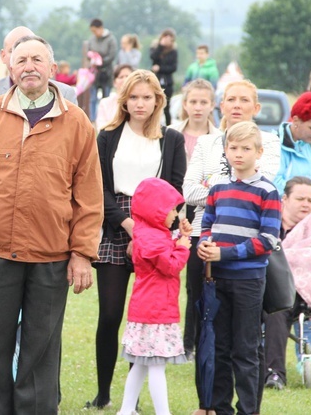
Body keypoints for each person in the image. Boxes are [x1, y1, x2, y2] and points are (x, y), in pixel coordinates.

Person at [0, 35, 103, 414]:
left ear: (53, 70)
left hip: (51, 256)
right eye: (22, 60)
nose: (29, 66)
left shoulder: (77, 122)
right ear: (10, 68)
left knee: (42, 350)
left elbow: (89, 195)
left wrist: (82, 254)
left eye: (38, 59)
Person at [87, 69, 186, 410]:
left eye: (147, 97)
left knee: (144, 318)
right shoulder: (108, 136)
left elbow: (176, 192)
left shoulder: (171, 139)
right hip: (116, 224)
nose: (140, 103)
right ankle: (103, 394)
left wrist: (148, 232)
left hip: (157, 230)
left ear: (158, 100)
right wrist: (129, 226)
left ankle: (134, 398)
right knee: (111, 314)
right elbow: (98, 188)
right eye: (134, 97)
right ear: (124, 101)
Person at [184, 81, 280, 414]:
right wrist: (207, 243)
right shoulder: (218, 187)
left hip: (249, 279)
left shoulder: (267, 192)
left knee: (246, 347)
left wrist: (226, 253)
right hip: (217, 278)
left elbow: (268, 240)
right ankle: (219, 406)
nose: (238, 155)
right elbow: (207, 221)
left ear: (259, 153)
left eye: (245, 150)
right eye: (233, 149)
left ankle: (248, 409)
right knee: (219, 345)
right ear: (225, 151)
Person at [117, 178, 191, 415]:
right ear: (155, 210)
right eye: (171, 209)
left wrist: (179, 235)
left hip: (150, 310)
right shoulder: (151, 238)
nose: (175, 214)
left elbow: (163, 246)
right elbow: (170, 266)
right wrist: (183, 247)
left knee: (140, 364)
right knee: (156, 365)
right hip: (154, 312)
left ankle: (126, 409)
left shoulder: (150, 233)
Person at [262, 176, 311, 390]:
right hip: (260, 285)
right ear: (284, 198)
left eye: (310, 200)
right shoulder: (267, 222)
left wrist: (281, 256)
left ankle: (274, 374)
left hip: (298, 291)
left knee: (277, 310)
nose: (306, 204)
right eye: (300, 198)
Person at [171, 79, 218, 356]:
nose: (198, 107)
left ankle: (194, 341)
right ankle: (179, 339)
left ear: (212, 105)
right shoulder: (171, 133)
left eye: (203, 102)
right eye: (193, 102)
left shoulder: (221, 137)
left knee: (197, 280)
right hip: (175, 210)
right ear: (184, 104)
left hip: (202, 211)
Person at [0, 26, 77, 113]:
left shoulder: (65, 95)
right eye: (14, 51)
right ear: (3, 55)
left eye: (36, 59)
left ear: (52, 68)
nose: (28, 67)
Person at [88, 18, 118, 121]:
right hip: (94, 73)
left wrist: (100, 61)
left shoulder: (111, 39)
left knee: (106, 98)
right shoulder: (92, 40)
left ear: (100, 28)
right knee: (92, 99)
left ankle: (106, 119)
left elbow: (112, 55)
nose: (94, 33)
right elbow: (89, 52)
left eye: (95, 31)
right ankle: (92, 119)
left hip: (106, 72)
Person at [150, 28, 178, 126]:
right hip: (155, 80)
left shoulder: (173, 52)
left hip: (167, 82)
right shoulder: (155, 47)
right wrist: (160, 46)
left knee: (166, 107)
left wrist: (160, 68)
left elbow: (173, 67)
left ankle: (168, 126)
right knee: (153, 105)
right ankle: (153, 124)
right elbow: (153, 57)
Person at [95, 64, 132, 130]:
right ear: (114, 82)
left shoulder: (139, 104)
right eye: (121, 77)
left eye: (127, 76)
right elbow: (101, 127)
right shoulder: (105, 103)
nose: (125, 80)